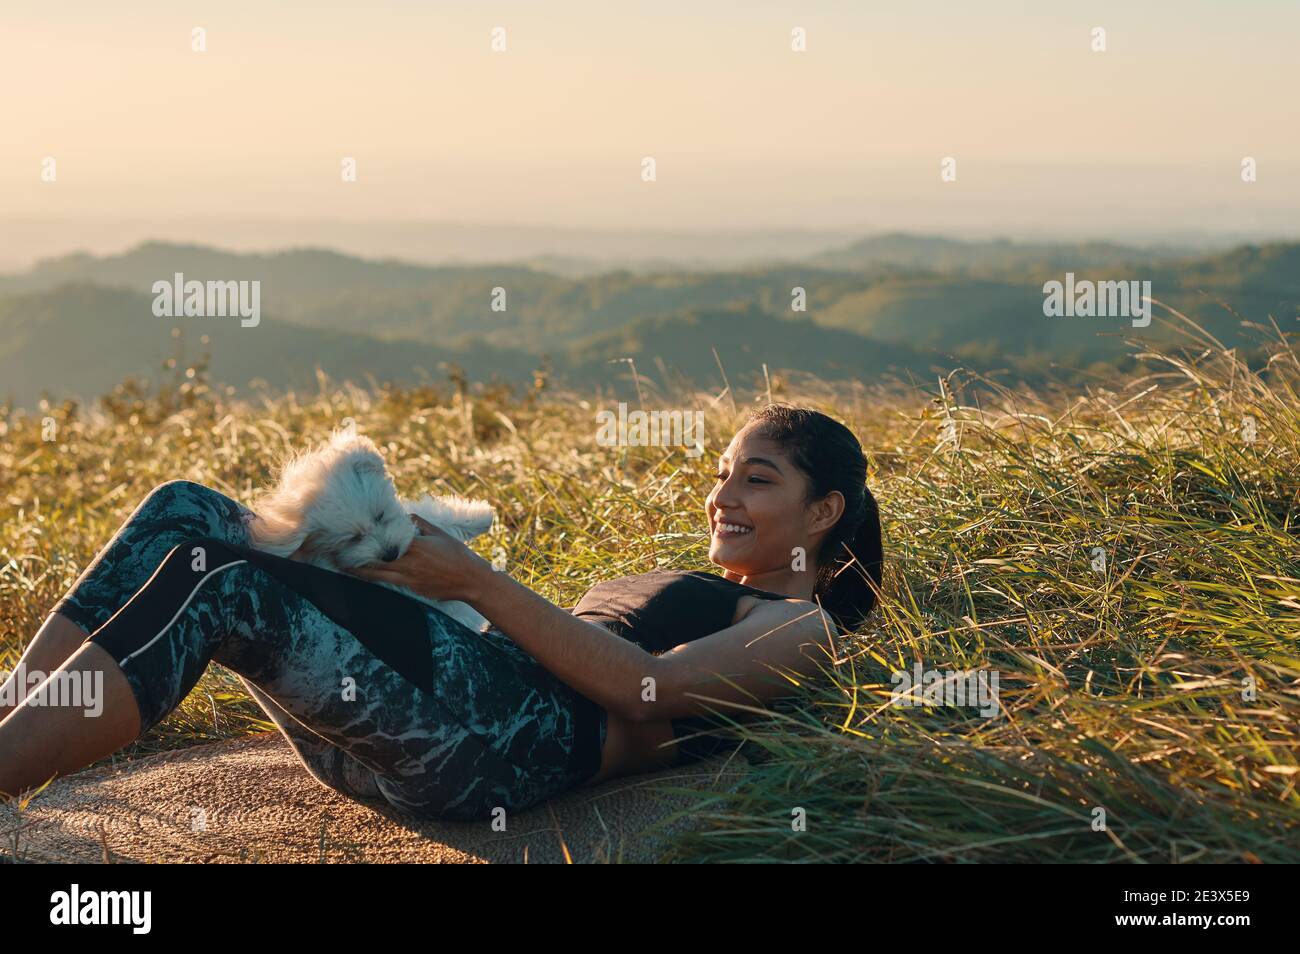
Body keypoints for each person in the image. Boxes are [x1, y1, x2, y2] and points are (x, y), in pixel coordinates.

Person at [0, 403, 883, 822]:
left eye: (757, 480)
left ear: (824, 512)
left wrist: (472, 581)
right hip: (445, 713)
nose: (723, 494)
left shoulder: (800, 627)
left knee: (218, 579)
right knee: (185, 511)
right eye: (722, 472)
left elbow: (651, 690)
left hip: (510, 749)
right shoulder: (705, 584)